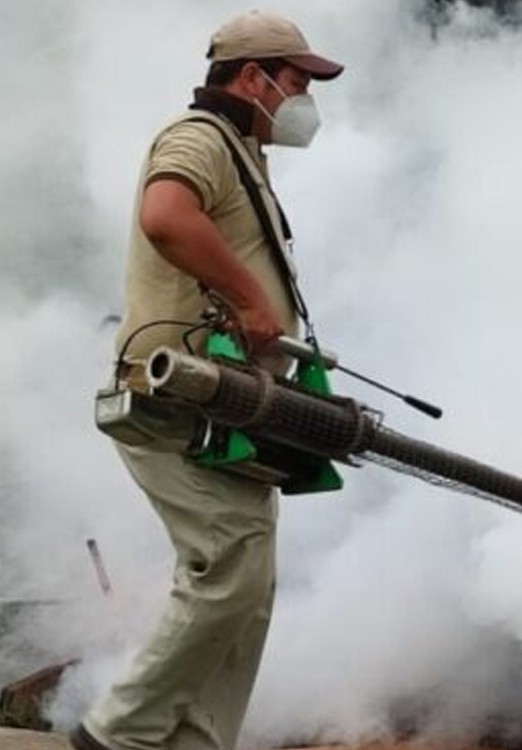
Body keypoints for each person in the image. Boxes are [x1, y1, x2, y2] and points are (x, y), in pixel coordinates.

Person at [72, 10, 343, 750]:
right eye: (295, 83)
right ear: (252, 78)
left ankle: (197, 741)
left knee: (247, 587)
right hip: (179, 393)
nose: (304, 100)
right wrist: (254, 300)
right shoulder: (198, 138)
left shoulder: (241, 149)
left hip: (229, 404)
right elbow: (166, 215)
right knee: (231, 565)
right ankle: (120, 731)